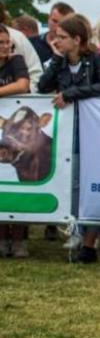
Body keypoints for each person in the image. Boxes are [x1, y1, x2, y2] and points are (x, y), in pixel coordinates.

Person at [37, 13, 100, 263]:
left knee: (89, 182)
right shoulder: (57, 61)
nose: (56, 41)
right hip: (66, 132)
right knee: (71, 183)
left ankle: (90, 243)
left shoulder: (95, 59)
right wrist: (57, 60)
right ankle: (74, 231)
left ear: (77, 39)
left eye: (62, 37)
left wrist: (72, 93)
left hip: (92, 131)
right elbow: (42, 86)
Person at [0, 23, 32, 258]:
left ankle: (20, 240)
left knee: (22, 180)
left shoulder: (16, 60)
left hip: (18, 131)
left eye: (6, 43)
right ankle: (2, 239)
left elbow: (23, 85)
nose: (5, 47)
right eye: (0, 43)